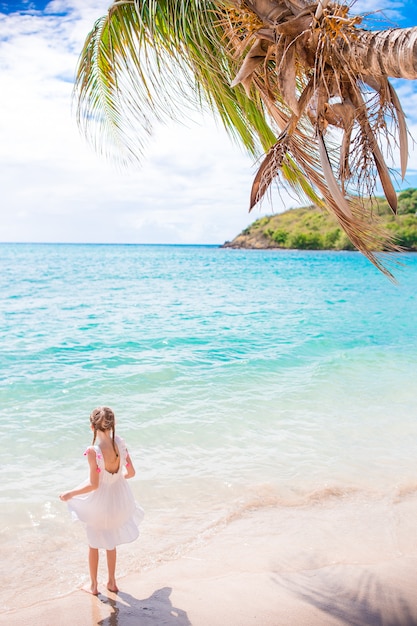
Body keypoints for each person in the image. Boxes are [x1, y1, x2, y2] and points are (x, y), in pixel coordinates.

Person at [60, 406, 144, 595]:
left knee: (93, 544)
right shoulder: (120, 443)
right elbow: (131, 472)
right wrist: (117, 478)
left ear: (92, 427)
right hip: (120, 501)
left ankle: (93, 586)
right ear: (113, 424)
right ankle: (112, 582)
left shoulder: (94, 451)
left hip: (101, 504)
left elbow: (94, 485)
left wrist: (70, 493)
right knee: (110, 541)